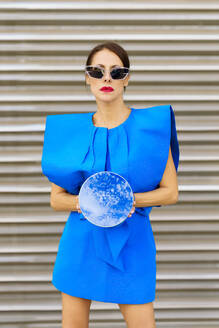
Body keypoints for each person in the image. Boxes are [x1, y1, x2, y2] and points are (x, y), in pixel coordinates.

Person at [41, 41, 180, 328]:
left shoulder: (152, 129)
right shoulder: (69, 133)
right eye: (97, 70)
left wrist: (126, 201)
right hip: (80, 240)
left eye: (117, 72)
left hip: (133, 241)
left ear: (127, 78)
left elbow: (171, 192)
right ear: (87, 77)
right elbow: (57, 199)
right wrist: (88, 203)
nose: (106, 78)